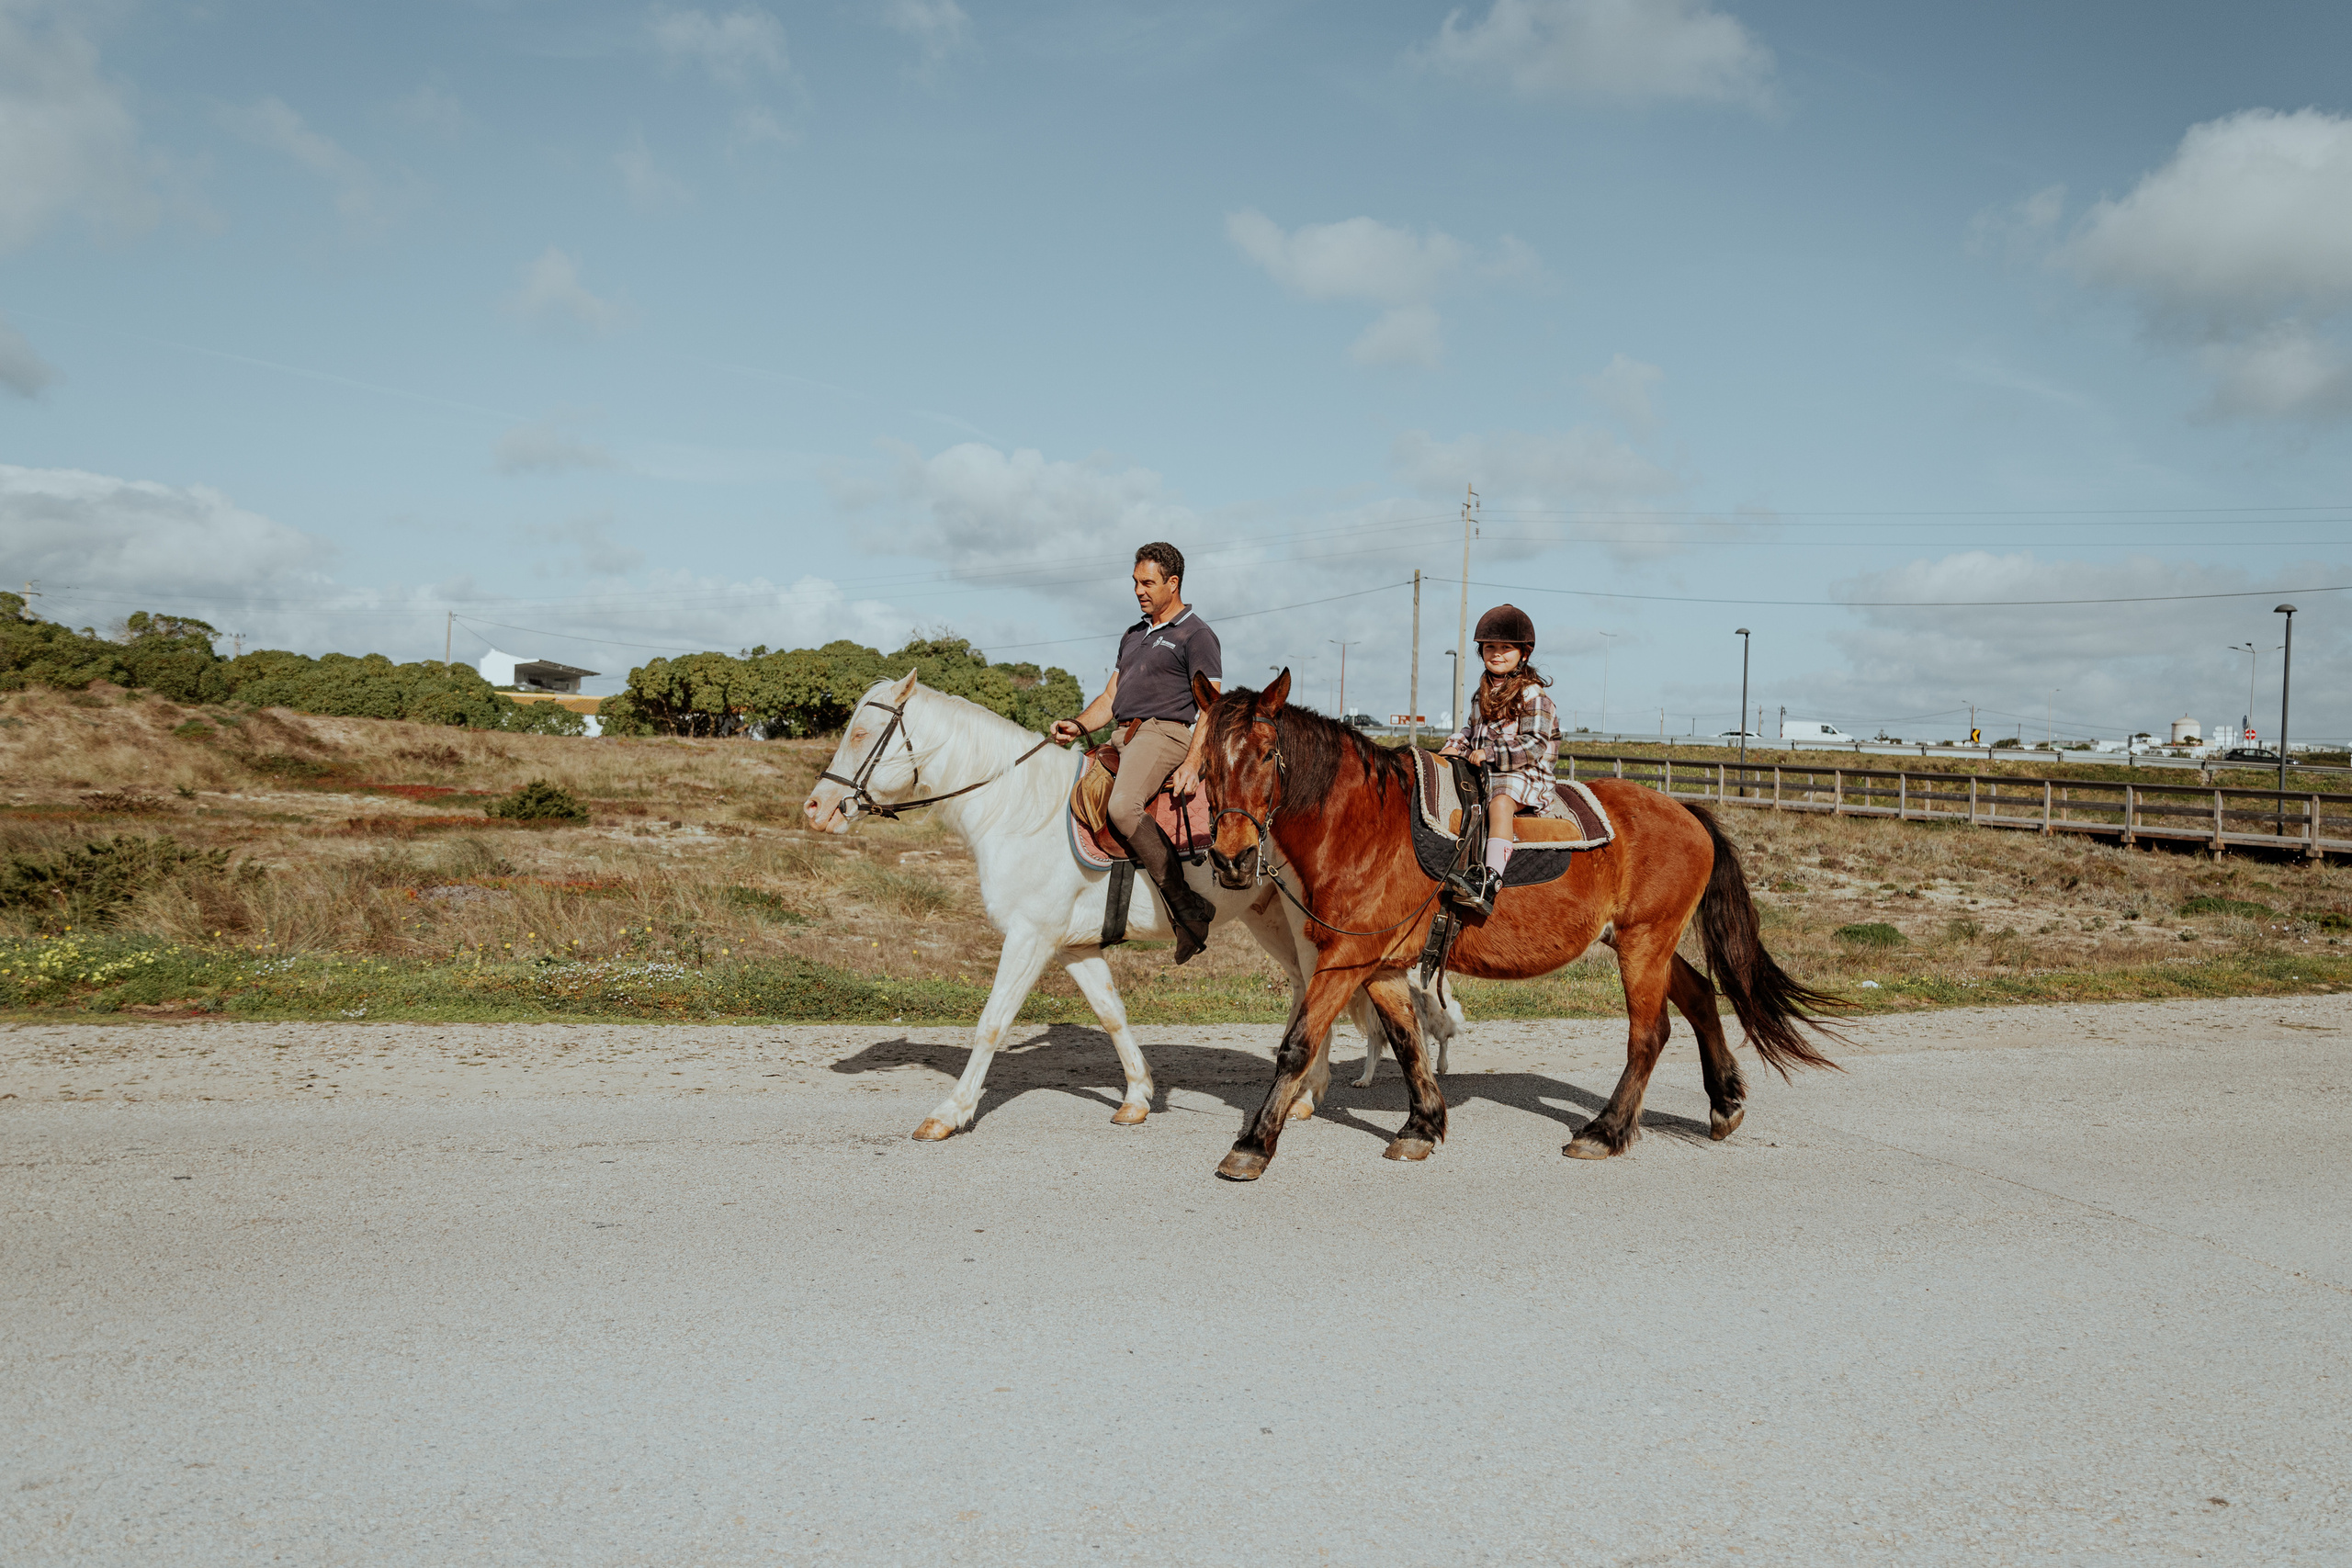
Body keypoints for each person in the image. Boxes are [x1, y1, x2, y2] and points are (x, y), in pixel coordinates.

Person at [1049, 543, 1222, 962]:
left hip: (1165, 734)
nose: (1138, 591)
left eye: (1147, 583)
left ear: (1172, 583)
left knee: (1123, 807)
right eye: (1135, 583)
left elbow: (1211, 707)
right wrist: (1079, 724)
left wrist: (1193, 762)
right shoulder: (1132, 635)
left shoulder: (1196, 634)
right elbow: (1111, 697)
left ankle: (1187, 908)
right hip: (1122, 736)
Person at [1439, 604, 1560, 917]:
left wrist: (1491, 753)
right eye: (1490, 647)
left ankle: (1489, 880)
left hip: (1525, 772)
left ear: (1524, 653)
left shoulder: (1534, 697)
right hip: (1487, 770)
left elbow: (1534, 745)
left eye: (1506, 648)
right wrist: (1454, 746)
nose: (1497, 654)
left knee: (1501, 802)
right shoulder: (1481, 695)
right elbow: (1472, 730)